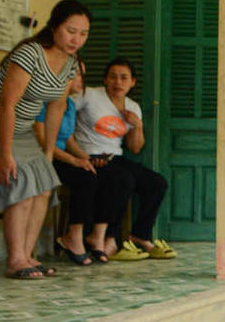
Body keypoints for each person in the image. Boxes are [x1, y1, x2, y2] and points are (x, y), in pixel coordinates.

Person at [0, 0, 88, 279]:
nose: (76, 39)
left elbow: (56, 106)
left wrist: (48, 152)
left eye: (83, 33)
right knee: (22, 180)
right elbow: (8, 105)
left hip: (21, 130)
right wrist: (5, 154)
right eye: (71, 31)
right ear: (54, 26)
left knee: (44, 183)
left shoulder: (70, 64)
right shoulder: (30, 54)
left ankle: (28, 256)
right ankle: (14, 260)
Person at [72, 57, 176, 262]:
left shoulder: (132, 107)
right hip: (89, 155)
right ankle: (109, 237)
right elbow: (62, 112)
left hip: (115, 157)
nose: (118, 82)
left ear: (132, 82)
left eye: (123, 78)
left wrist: (137, 126)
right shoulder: (89, 95)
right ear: (105, 79)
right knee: (122, 179)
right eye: (112, 77)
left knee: (157, 183)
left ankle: (139, 234)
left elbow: (135, 148)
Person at [32, 60, 103, 266]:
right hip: (45, 157)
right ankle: (74, 235)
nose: (82, 80)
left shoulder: (70, 104)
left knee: (96, 173)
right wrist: (73, 160)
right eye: (77, 74)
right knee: (85, 179)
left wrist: (84, 158)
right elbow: (43, 140)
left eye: (82, 74)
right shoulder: (46, 101)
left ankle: (87, 235)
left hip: (63, 156)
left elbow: (69, 140)